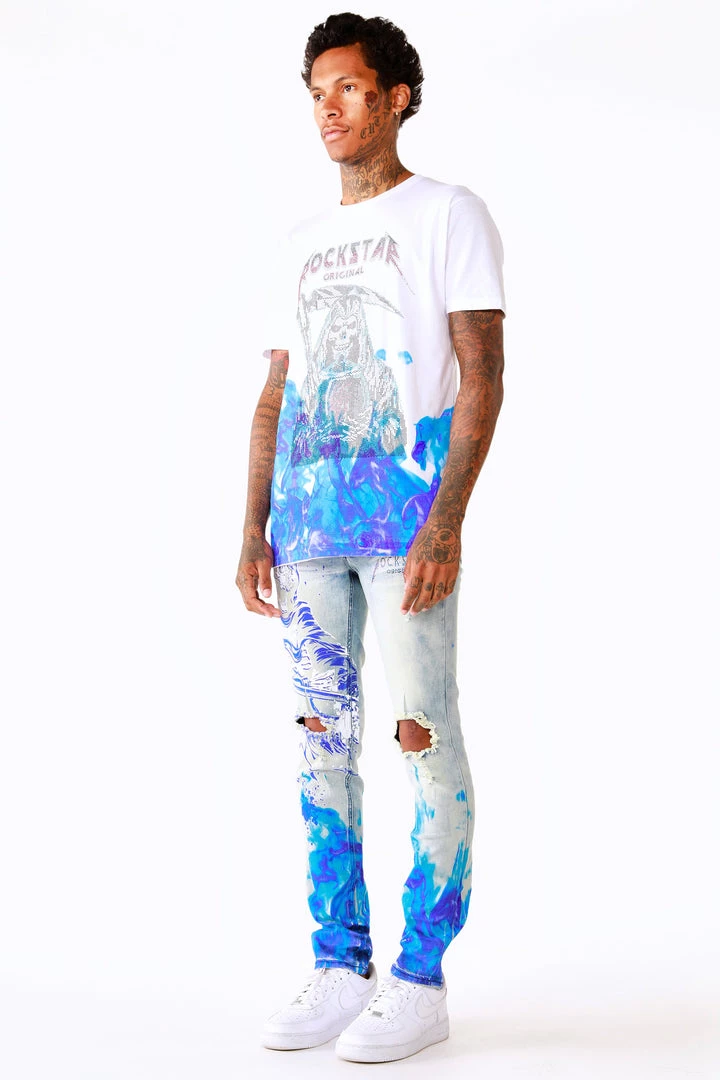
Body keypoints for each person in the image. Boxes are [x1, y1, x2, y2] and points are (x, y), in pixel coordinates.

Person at [235, 11, 506, 1064]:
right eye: (317, 92)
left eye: (348, 88)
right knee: (321, 748)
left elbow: (481, 373)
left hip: (404, 528)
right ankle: (341, 963)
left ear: (397, 96)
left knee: (423, 737)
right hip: (306, 532)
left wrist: (447, 520)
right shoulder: (299, 242)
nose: (329, 109)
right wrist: (252, 524)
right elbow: (276, 392)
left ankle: (420, 978)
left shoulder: (449, 213)